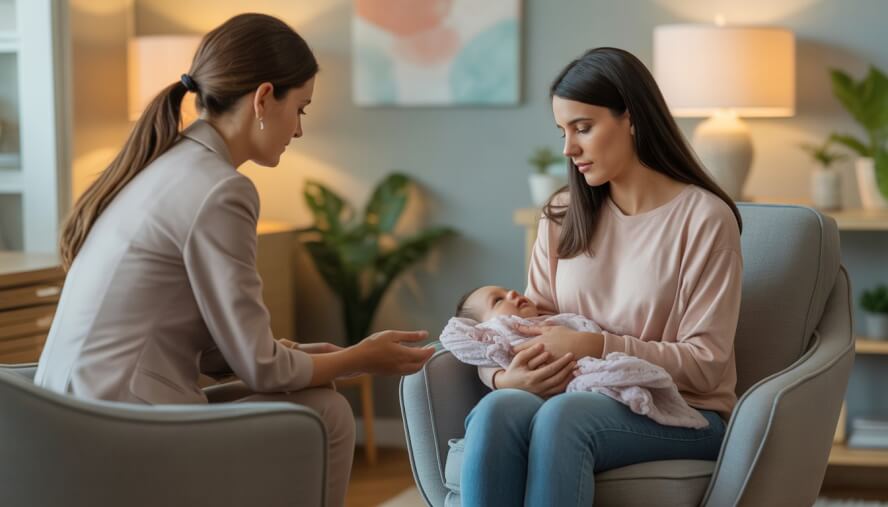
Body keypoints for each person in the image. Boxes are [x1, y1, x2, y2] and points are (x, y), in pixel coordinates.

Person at [33, 13, 433, 507]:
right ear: (264, 98)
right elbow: (262, 370)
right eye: (301, 108)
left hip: (67, 412)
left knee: (316, 401)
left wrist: (303, 354)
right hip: (119, 426)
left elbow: (212, 344)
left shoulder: (166, 164)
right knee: (324, 413)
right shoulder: (222, 189)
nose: (300, 130)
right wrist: (362, 359)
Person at [459, 47, 744, 506]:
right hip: (577, 391)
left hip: (684, 409)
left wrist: (599, 346)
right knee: (498, 411)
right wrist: (501, 380)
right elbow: (519, 328)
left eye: (583, 128)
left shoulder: (704, 219)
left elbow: (706, 362)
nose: (568, 149)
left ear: (631, 118)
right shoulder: (561, 215)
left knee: (563, 418)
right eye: (563, 131)